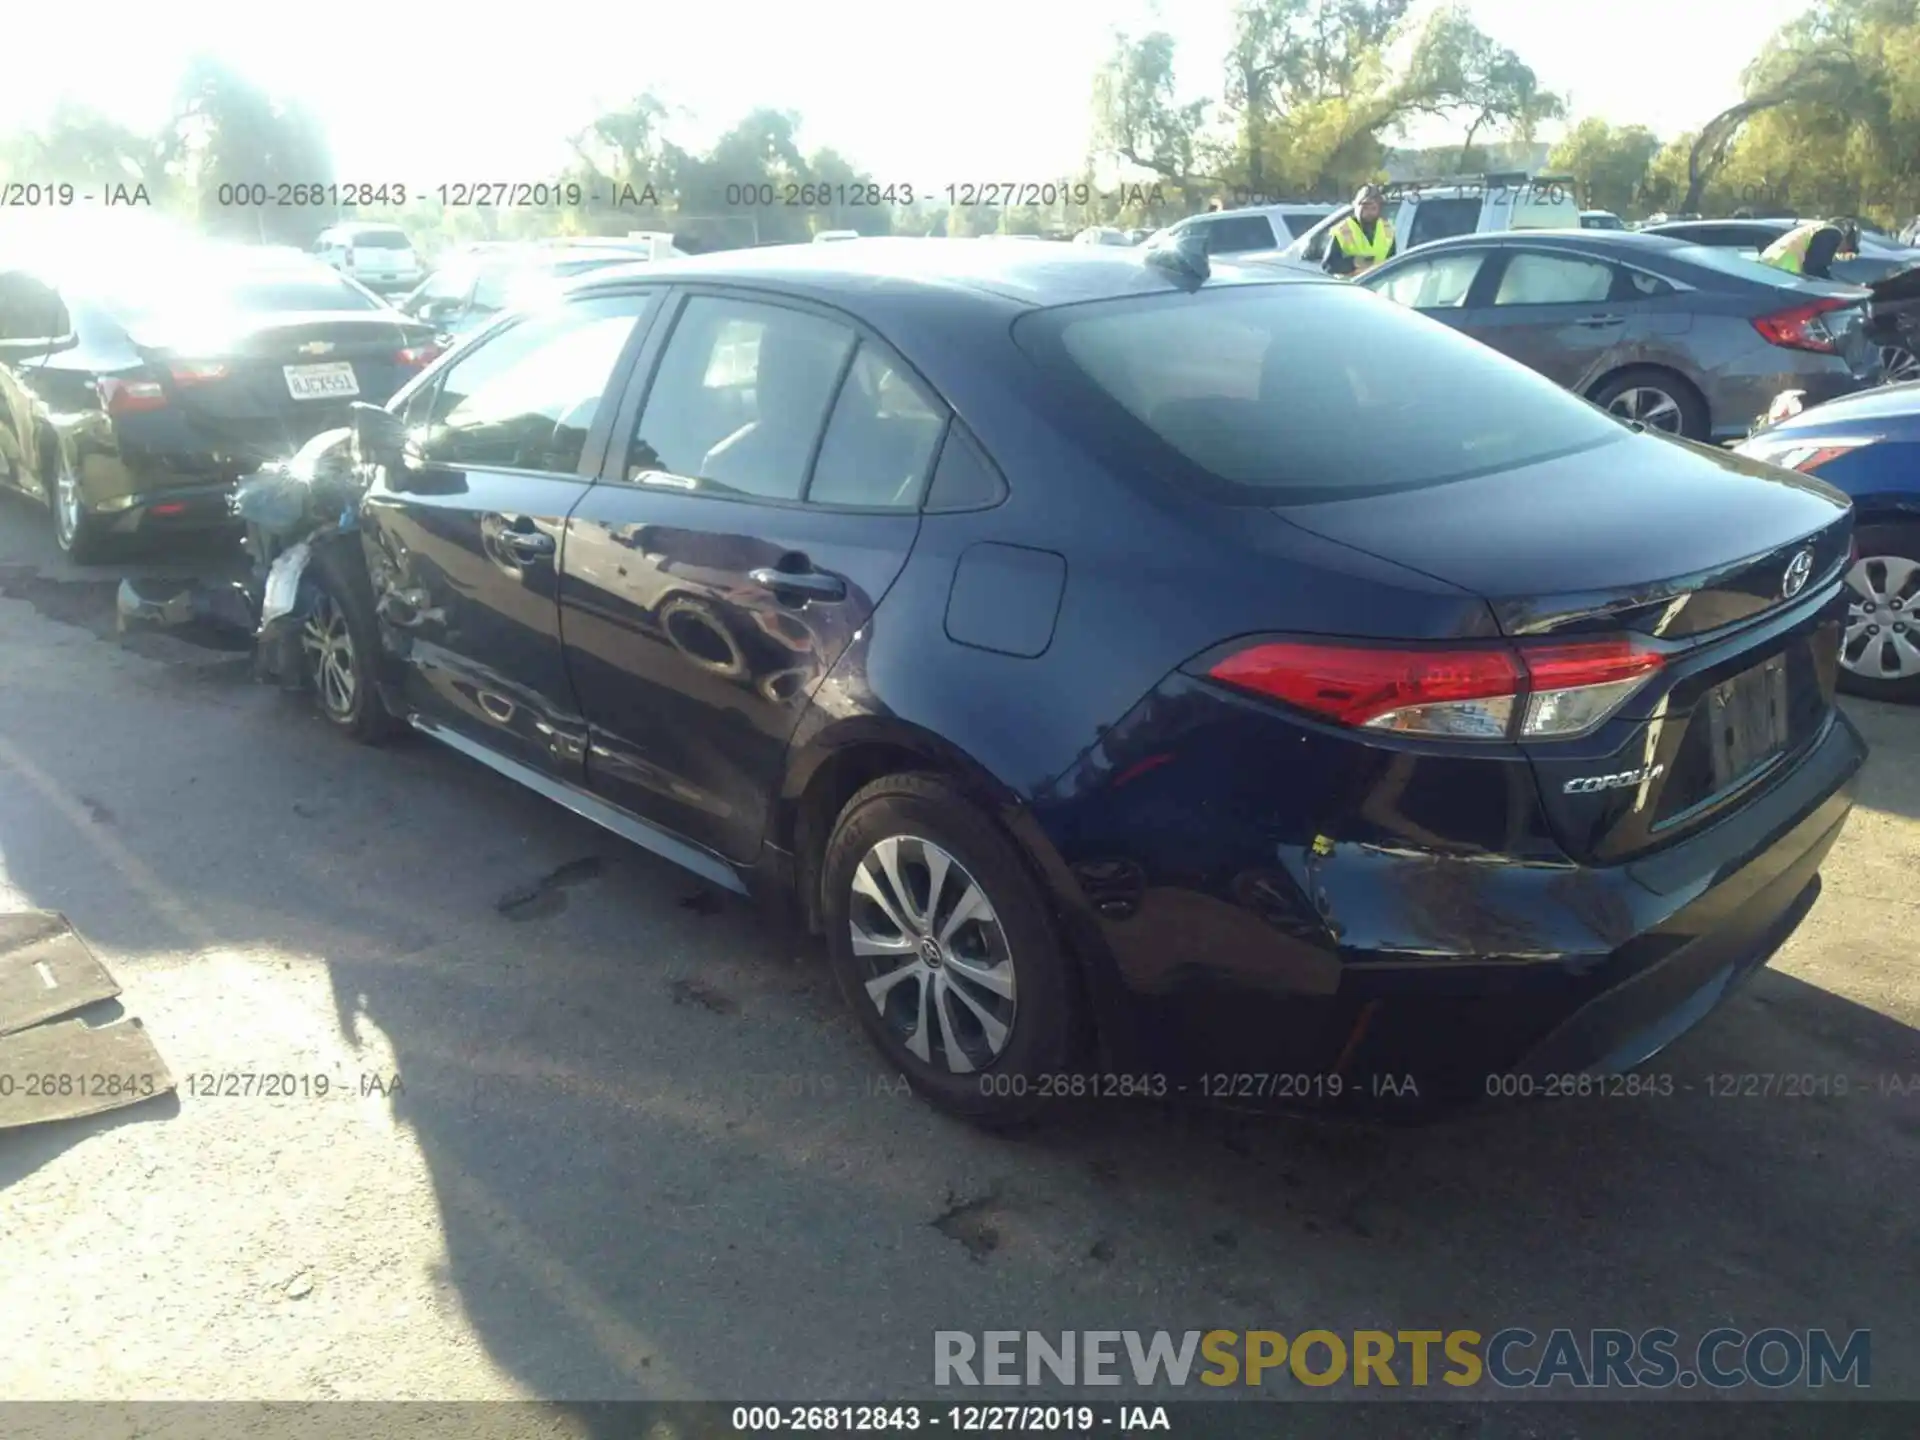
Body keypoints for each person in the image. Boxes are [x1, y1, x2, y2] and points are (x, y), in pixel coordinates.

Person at [1323, 184, 1396, 278]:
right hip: (1351, 288)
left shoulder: (1387, 230)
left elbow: (1393, 263)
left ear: (1379, 209)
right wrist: (1353, 262)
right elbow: (1328, 265)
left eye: (1373, 208)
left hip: (1378, 286)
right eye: (1364, 208)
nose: (1369, 212)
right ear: (1355, 206)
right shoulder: (1343, 230)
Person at [1759, 217, 1861, 280]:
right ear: (1847, 239)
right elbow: (1815, 269)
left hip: (1771, 268)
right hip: (1780, 271)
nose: (1842, 252)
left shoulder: (1820, 228)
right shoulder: (1832, 234)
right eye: (1848, 249)